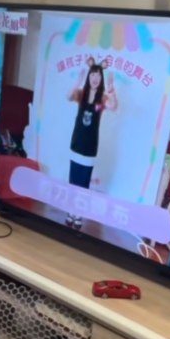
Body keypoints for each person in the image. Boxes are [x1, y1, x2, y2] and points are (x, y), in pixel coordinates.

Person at [66, 59, 119, 226]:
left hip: (90, 146)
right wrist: (77, 80)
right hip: (77, 143)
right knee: (73, 180)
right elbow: (68, 96)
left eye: (98, 76)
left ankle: (78, 213)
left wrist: (112, 87)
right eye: (93, 75)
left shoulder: (102, 98)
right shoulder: (81, 94)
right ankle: (70, 210)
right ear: (89, 77)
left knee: (83, 182)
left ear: (101, 79)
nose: (95, 78)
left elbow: (114, 107)